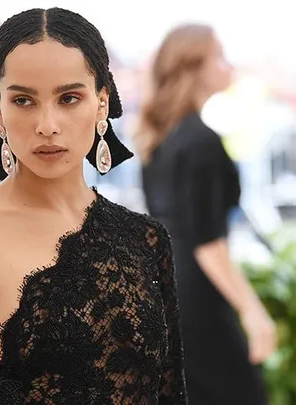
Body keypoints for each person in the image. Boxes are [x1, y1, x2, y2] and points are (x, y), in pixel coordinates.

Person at [0, 7, 187, 405]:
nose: (47, 124)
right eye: (24, 100)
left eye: (69, 98)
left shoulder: (147, 240)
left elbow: (170, 393)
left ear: (101, 103)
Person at [136, 23, 277, 405]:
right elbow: (207, 244)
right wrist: (253, 311)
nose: (228, 66)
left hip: (164, 287)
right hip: (197, 293)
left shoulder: (158, 138)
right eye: (219, 56)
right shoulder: (201, 140)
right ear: (194, 66)